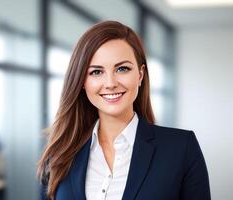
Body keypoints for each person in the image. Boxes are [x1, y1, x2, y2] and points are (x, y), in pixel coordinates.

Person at [37, 20, 211, 200]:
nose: (111, 83)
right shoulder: (60, 154)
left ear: (140, 75)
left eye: (122, 69)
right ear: (82, 81)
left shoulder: (181, 148)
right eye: (96, 72)